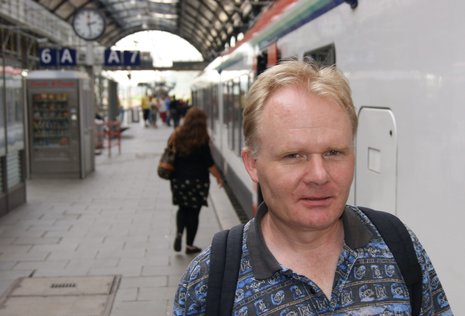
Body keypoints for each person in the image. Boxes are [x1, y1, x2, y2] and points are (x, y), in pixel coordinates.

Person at [173, 61, 452, 314]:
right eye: (293, 155)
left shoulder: (400, 246)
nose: (319, 175)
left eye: (334, 152)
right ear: (253, 164)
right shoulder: (209, 281)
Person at [168, 107, 223, 255]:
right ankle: (190, 245)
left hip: (178, 180)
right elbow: (209, 163)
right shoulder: (202, 139)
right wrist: (218, 177)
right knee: (193, 213)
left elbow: (170, 154)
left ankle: (179, 232)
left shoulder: (177, 135)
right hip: (197, 182)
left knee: (182, 209)